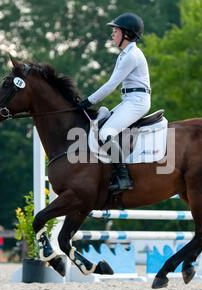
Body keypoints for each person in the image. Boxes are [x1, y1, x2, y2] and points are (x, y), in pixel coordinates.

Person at [76, 12, 151, 194]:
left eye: (115, 31)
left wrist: (88, 101)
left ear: (126, 34)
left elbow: (111, 85)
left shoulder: (131, 56)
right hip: (130, 99)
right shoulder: (125, 54)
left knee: (106, 132)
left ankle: (124, 178)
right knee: (101, 120)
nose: (112, 34)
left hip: (137, 102)